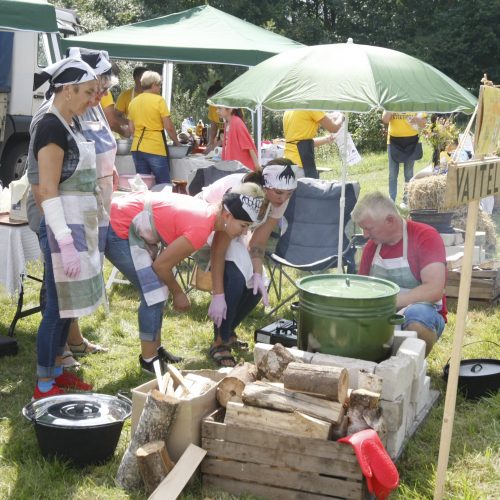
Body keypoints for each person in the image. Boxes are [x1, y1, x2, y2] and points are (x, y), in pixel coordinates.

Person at [105, 184, 264, 373]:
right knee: (154, 293)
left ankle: (155, 350)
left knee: (159, 289)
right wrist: (179, 293)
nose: (245, 232)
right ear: (228, 216)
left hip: (126, 216)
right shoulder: (200, 229)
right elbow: (161, 266)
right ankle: (149, 361)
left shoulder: (214, 217)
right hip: (117, 227)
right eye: (244, 226)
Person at [28, 57, 103, 399]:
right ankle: (44, 384)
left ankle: (58, 371)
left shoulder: (70, 122)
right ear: (67, 89)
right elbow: (46, 189)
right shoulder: (50, 126)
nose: (93, 99)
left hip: (75, 224)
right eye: (88, 92)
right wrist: (64, 241)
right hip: (61, 228)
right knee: (57, 309)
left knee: (66, 307)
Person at [200, 159, 297, 366]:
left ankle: (227, 331)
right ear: (265, 185)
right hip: (209, 223)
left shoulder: (280, 196)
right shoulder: (243, 193)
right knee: (235, 276)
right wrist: (218, 295)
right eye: (279, 193)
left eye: (289, 194)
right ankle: (220, 342)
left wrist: (258, 274)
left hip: (238, 229)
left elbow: (258, 242)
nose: (283, 199)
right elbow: (218, 249)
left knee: (257, 284)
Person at [352, 192, 447, 356]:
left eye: (368, 228)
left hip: (423, 312)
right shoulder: (371, 248)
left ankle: (411, 367)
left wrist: (388, 303)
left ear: (390, 220)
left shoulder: (424, 236)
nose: (365, 235)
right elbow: (362, 289)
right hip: (382, 315)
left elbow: (434, 289)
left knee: (417, 317)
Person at [128, 71, 180, 185]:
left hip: (136, 148)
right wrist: (177, 142)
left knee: (143, 185)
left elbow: (131, 129)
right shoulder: (159, 100)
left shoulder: (133, 102)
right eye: (159, 84)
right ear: (153, 85)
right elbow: (169, 127)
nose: (160, 87)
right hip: (155, 147)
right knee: (164, 184)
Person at [381, 111, 426, 208]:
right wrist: (391, 109)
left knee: (409, 173)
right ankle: (391, 201)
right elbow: (385, 119)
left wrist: (415, 119)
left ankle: (406, 201)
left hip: (411, 141)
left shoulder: (415, 102)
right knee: (393, 174)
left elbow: (423, 124)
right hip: (393, 142)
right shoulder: (392, 101)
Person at [283, 110, 344, 179]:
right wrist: (341, 117)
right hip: (301, 163)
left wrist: (326, 139)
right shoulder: (311, 107)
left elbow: (301, 142)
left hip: (287, 162)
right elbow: (333, 128)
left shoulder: (289, 110)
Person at [217, 106, 260, 171]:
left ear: (230, 109)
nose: (217, 111)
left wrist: (257, 168)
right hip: (234, 166)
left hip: (242, 168)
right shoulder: (227, 123)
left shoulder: (237, 122)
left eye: (219, 108)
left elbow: (249, 146)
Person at [206, 80, 224, 153]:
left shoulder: (230, 107)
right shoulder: (212, 106)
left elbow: (230, 135)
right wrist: (211, 142)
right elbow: (213, 127)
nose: (213, 104)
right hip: (222, 134)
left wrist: (214, 146)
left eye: (213, 101)